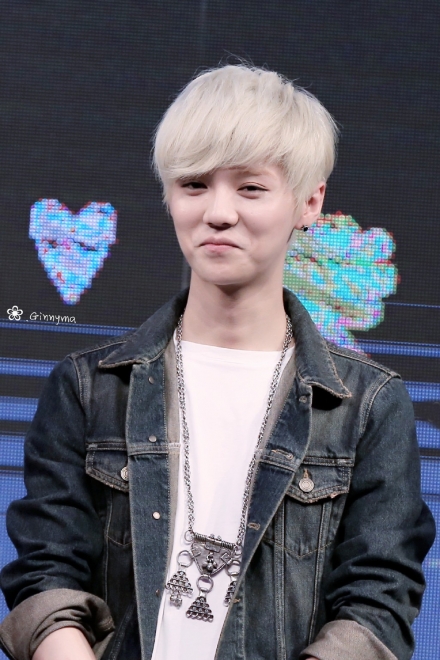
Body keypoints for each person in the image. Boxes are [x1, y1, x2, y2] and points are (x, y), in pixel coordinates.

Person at [0, 64, 435, 660]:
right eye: (195, 184)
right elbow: (46, 575)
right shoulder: (88, 388)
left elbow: (378, 601)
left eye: (250, 188)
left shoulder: (367, 404)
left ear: (309, 201)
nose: (219, 212)